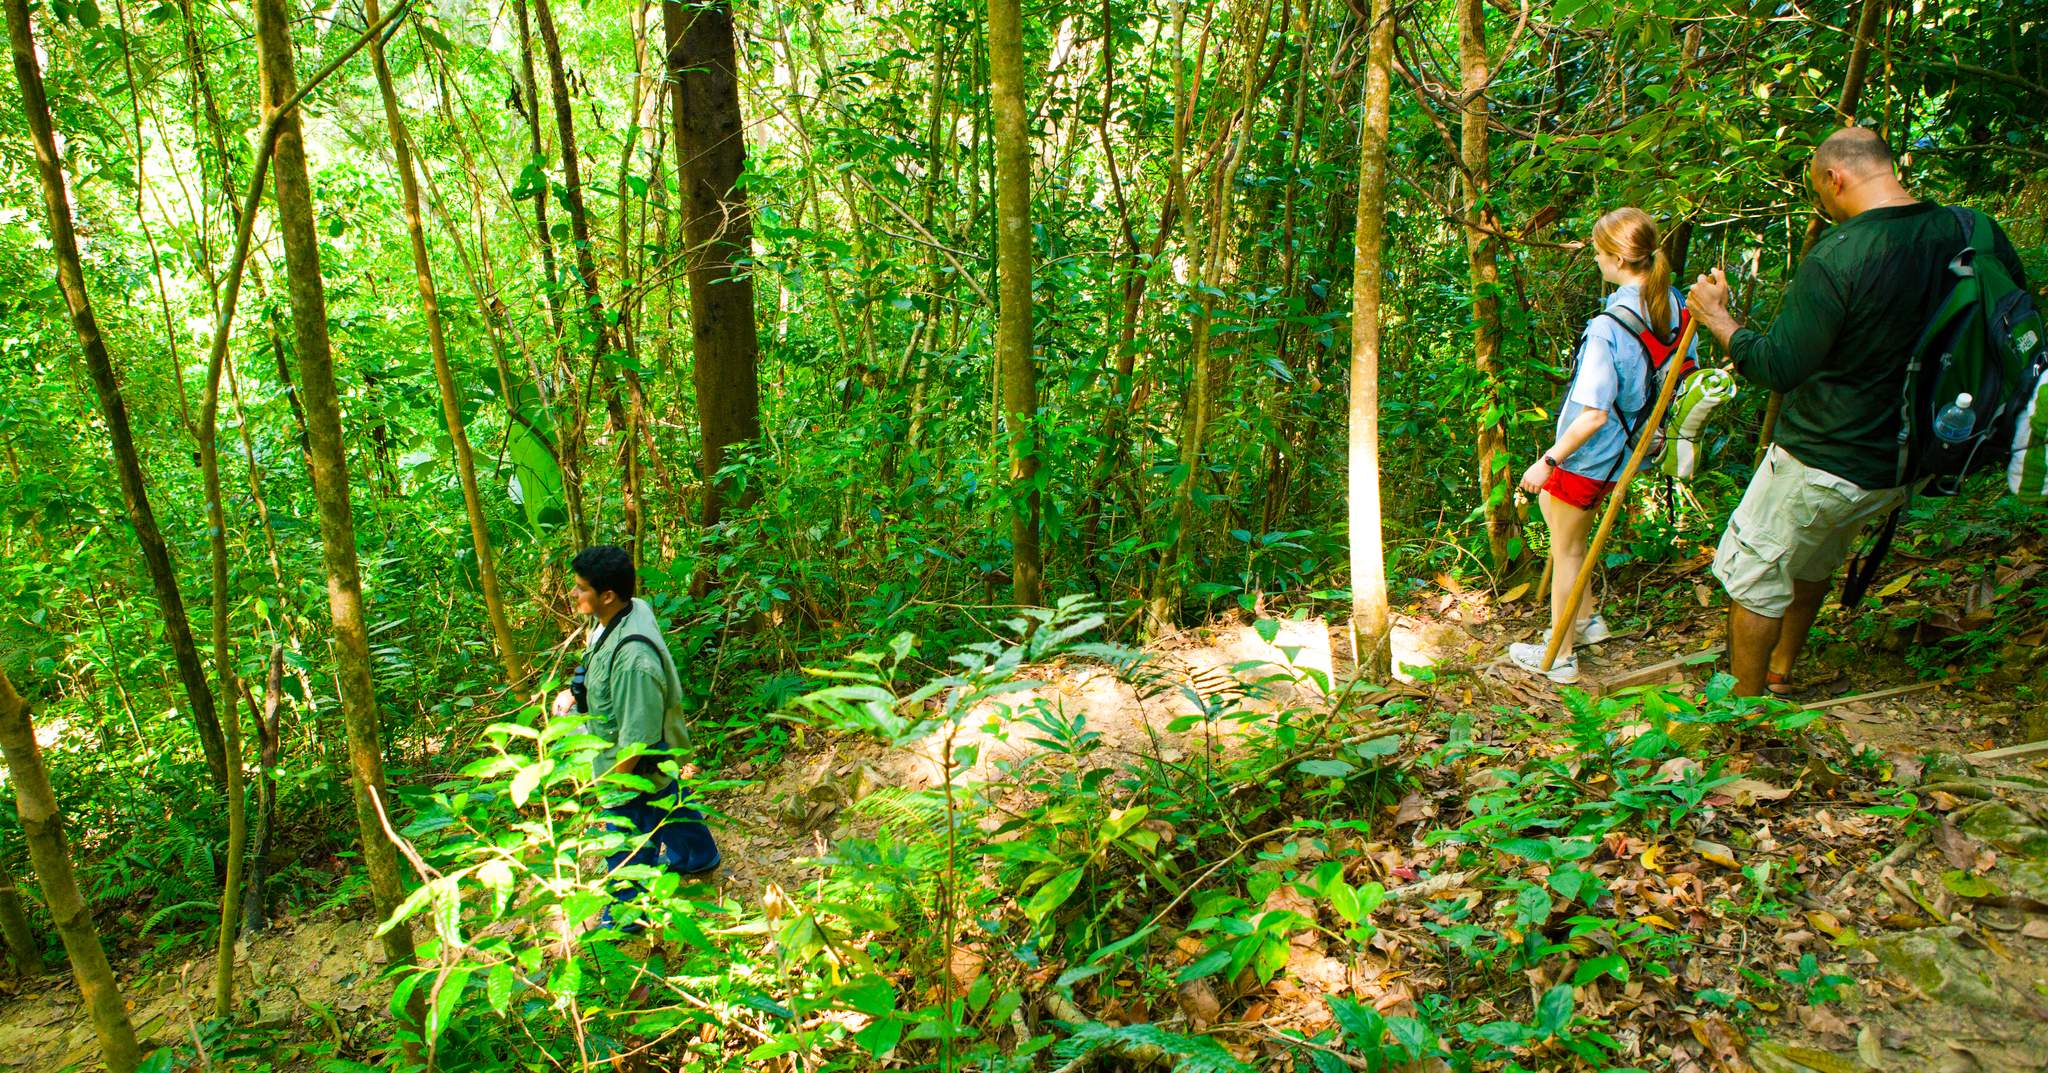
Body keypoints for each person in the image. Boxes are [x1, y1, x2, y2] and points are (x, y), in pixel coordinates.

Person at [1689, 127, 2030, 698]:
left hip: (1824, 456)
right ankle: (1779, 671)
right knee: (1812, 558)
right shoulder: (1972, 232)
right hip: (1908, 460)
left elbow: (1779, 367)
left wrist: (1720, 320)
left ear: (1835, 178)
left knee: (1754, 576)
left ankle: (1738, 710)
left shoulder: (1841, 255)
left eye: (1820, 191)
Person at [1509, 207, 1693, 684]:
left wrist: (1548, 460)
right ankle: (1588, 621)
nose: (1594, 260)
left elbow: (1593, 413)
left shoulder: (1609, 327)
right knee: (1560, 521)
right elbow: (1682, 374)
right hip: (1630, 447)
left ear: (1615, 257)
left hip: (1592, 453)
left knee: (1567, 548)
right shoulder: (1674, 304)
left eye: (1597, 253)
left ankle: (1561, 655)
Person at [551, 545, 720, 922]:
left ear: (607, 595)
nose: (573, 594)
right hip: (645, 757)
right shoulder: (628, 610)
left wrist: (611, 788)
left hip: (632, 765)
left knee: (627, 836)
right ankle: (698, 857)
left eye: (581, 588)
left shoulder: (634, 663)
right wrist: (574, 694)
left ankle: (627, 914)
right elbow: (600, 666)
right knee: (669, 799)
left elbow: (638, 741)